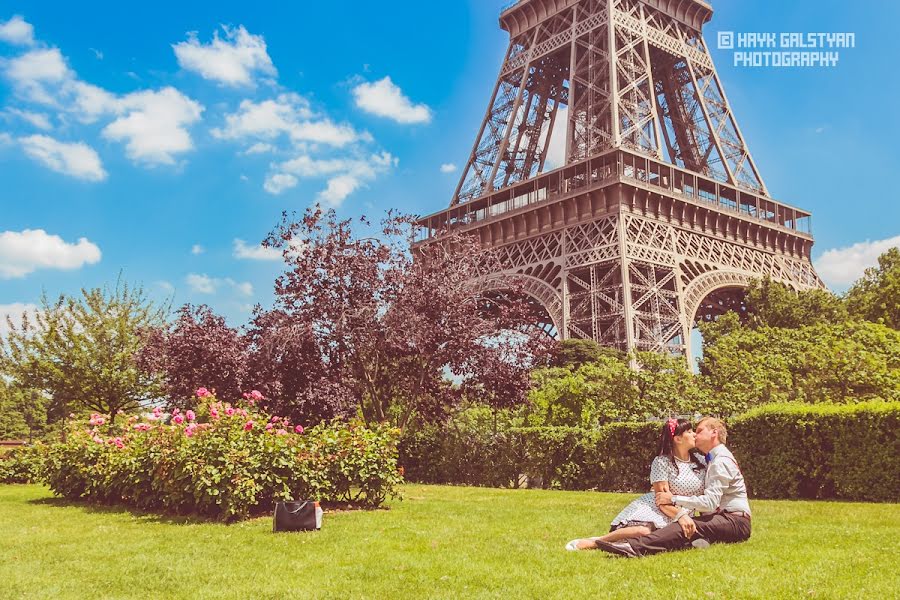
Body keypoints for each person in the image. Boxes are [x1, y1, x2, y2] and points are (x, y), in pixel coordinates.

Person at [594, 417, 751, 558]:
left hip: (734, 520)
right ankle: (691, 542)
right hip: (724, 518)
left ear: (714, 433)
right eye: (692, 431)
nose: (695, 434)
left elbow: (710, 502)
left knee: (684, 527)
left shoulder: (720, 461)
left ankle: (634, 547)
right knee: (685, 526)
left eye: (699, 430)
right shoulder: (709, 459)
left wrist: (673, 498)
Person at [565, 418, 706, 550]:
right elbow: (662, 500)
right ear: (677, 439)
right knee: (643, 531)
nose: (694, 434)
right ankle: (597, 542)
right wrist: (680, 515)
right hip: (660, 509)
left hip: (687, 512)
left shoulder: (701, 461)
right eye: (689, 431)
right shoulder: (662, 462)